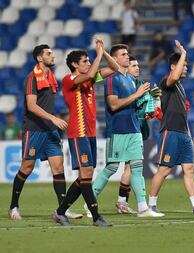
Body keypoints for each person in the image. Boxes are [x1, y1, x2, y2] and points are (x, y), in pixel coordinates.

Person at [8, 44, 82, 220]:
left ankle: (62, 209)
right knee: (27, 167)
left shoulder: (50, 77)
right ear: (40, 58)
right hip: (34, 129)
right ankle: (13, 206)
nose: (53, 55)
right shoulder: (32, 78)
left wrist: (53, 120)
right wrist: (53, 118)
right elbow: (32, 106)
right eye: (49, 53)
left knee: (58, 167)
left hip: (49, 130)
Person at [53, 38, 118, 226]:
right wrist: (98, 56)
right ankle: (97, 217)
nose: (89, 63)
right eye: (85, 61)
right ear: (74, 64)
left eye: (89, 60)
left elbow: (114, 68)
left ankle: (60, 212)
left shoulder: (90, 78)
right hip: (77, 132)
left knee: (85, 175)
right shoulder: (69, 79)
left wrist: (103, 52)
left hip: (89, 133)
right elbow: (90, 75)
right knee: (87, 173)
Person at [148, 40, 194, 215]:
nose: (186, 68)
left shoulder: (179, 86)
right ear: (173, 66)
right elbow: (173, 77)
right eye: (183, 65)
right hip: (170, 131)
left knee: (189, 169)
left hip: (184, 133)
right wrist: (183, 54)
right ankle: (151, 205)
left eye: (186, 66)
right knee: (164, 170)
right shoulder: (166, 82)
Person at [88, 44, 153, 217]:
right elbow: (114, 104)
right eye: (123, 54)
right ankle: (89, 205)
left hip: (134, 130)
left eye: (127, 53)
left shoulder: (130, 79)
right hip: (118, 131)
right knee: (111, 168)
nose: (127, 56)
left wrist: (147, 104)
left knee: (137, 168)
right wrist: (137, 94)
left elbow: (133, 103)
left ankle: (143, 208)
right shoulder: (112, 79)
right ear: (115, 59)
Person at [113, 55, 163, 217]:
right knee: (125, 166)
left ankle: (123, 201)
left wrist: (156, 101)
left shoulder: (142, 84)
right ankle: (126, 202)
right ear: (126, 68)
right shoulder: (124, 85)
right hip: (128, 127)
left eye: (137, 65)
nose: (137, 67)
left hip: (140, 127)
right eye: (133, 65)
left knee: (128, 166)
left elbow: (153, 108)